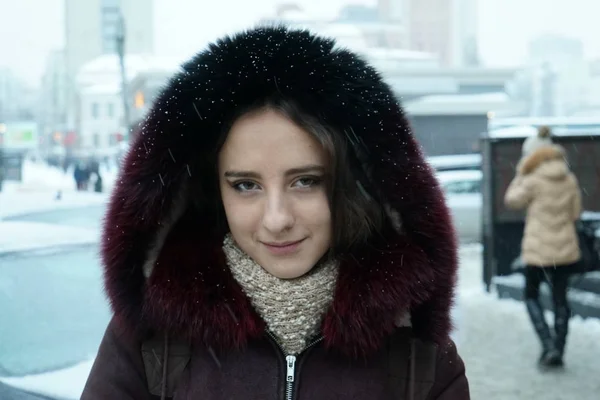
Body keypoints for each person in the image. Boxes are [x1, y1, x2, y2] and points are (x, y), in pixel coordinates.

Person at [82, 26, 469, 399]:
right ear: (211, 191)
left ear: (355, 186)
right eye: (245, 185)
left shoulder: (418, 355)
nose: (277, 219)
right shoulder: (151, 338)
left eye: (306, 181)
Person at [505, 143, 582, 368]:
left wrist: (521, 173)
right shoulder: (570, 179)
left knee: (531, 295)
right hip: (565, 250)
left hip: (538, 250)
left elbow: (511, 200)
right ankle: (558, 348)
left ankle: (547, 344)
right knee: (561, 300)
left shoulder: (532, 179)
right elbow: (575, 213)